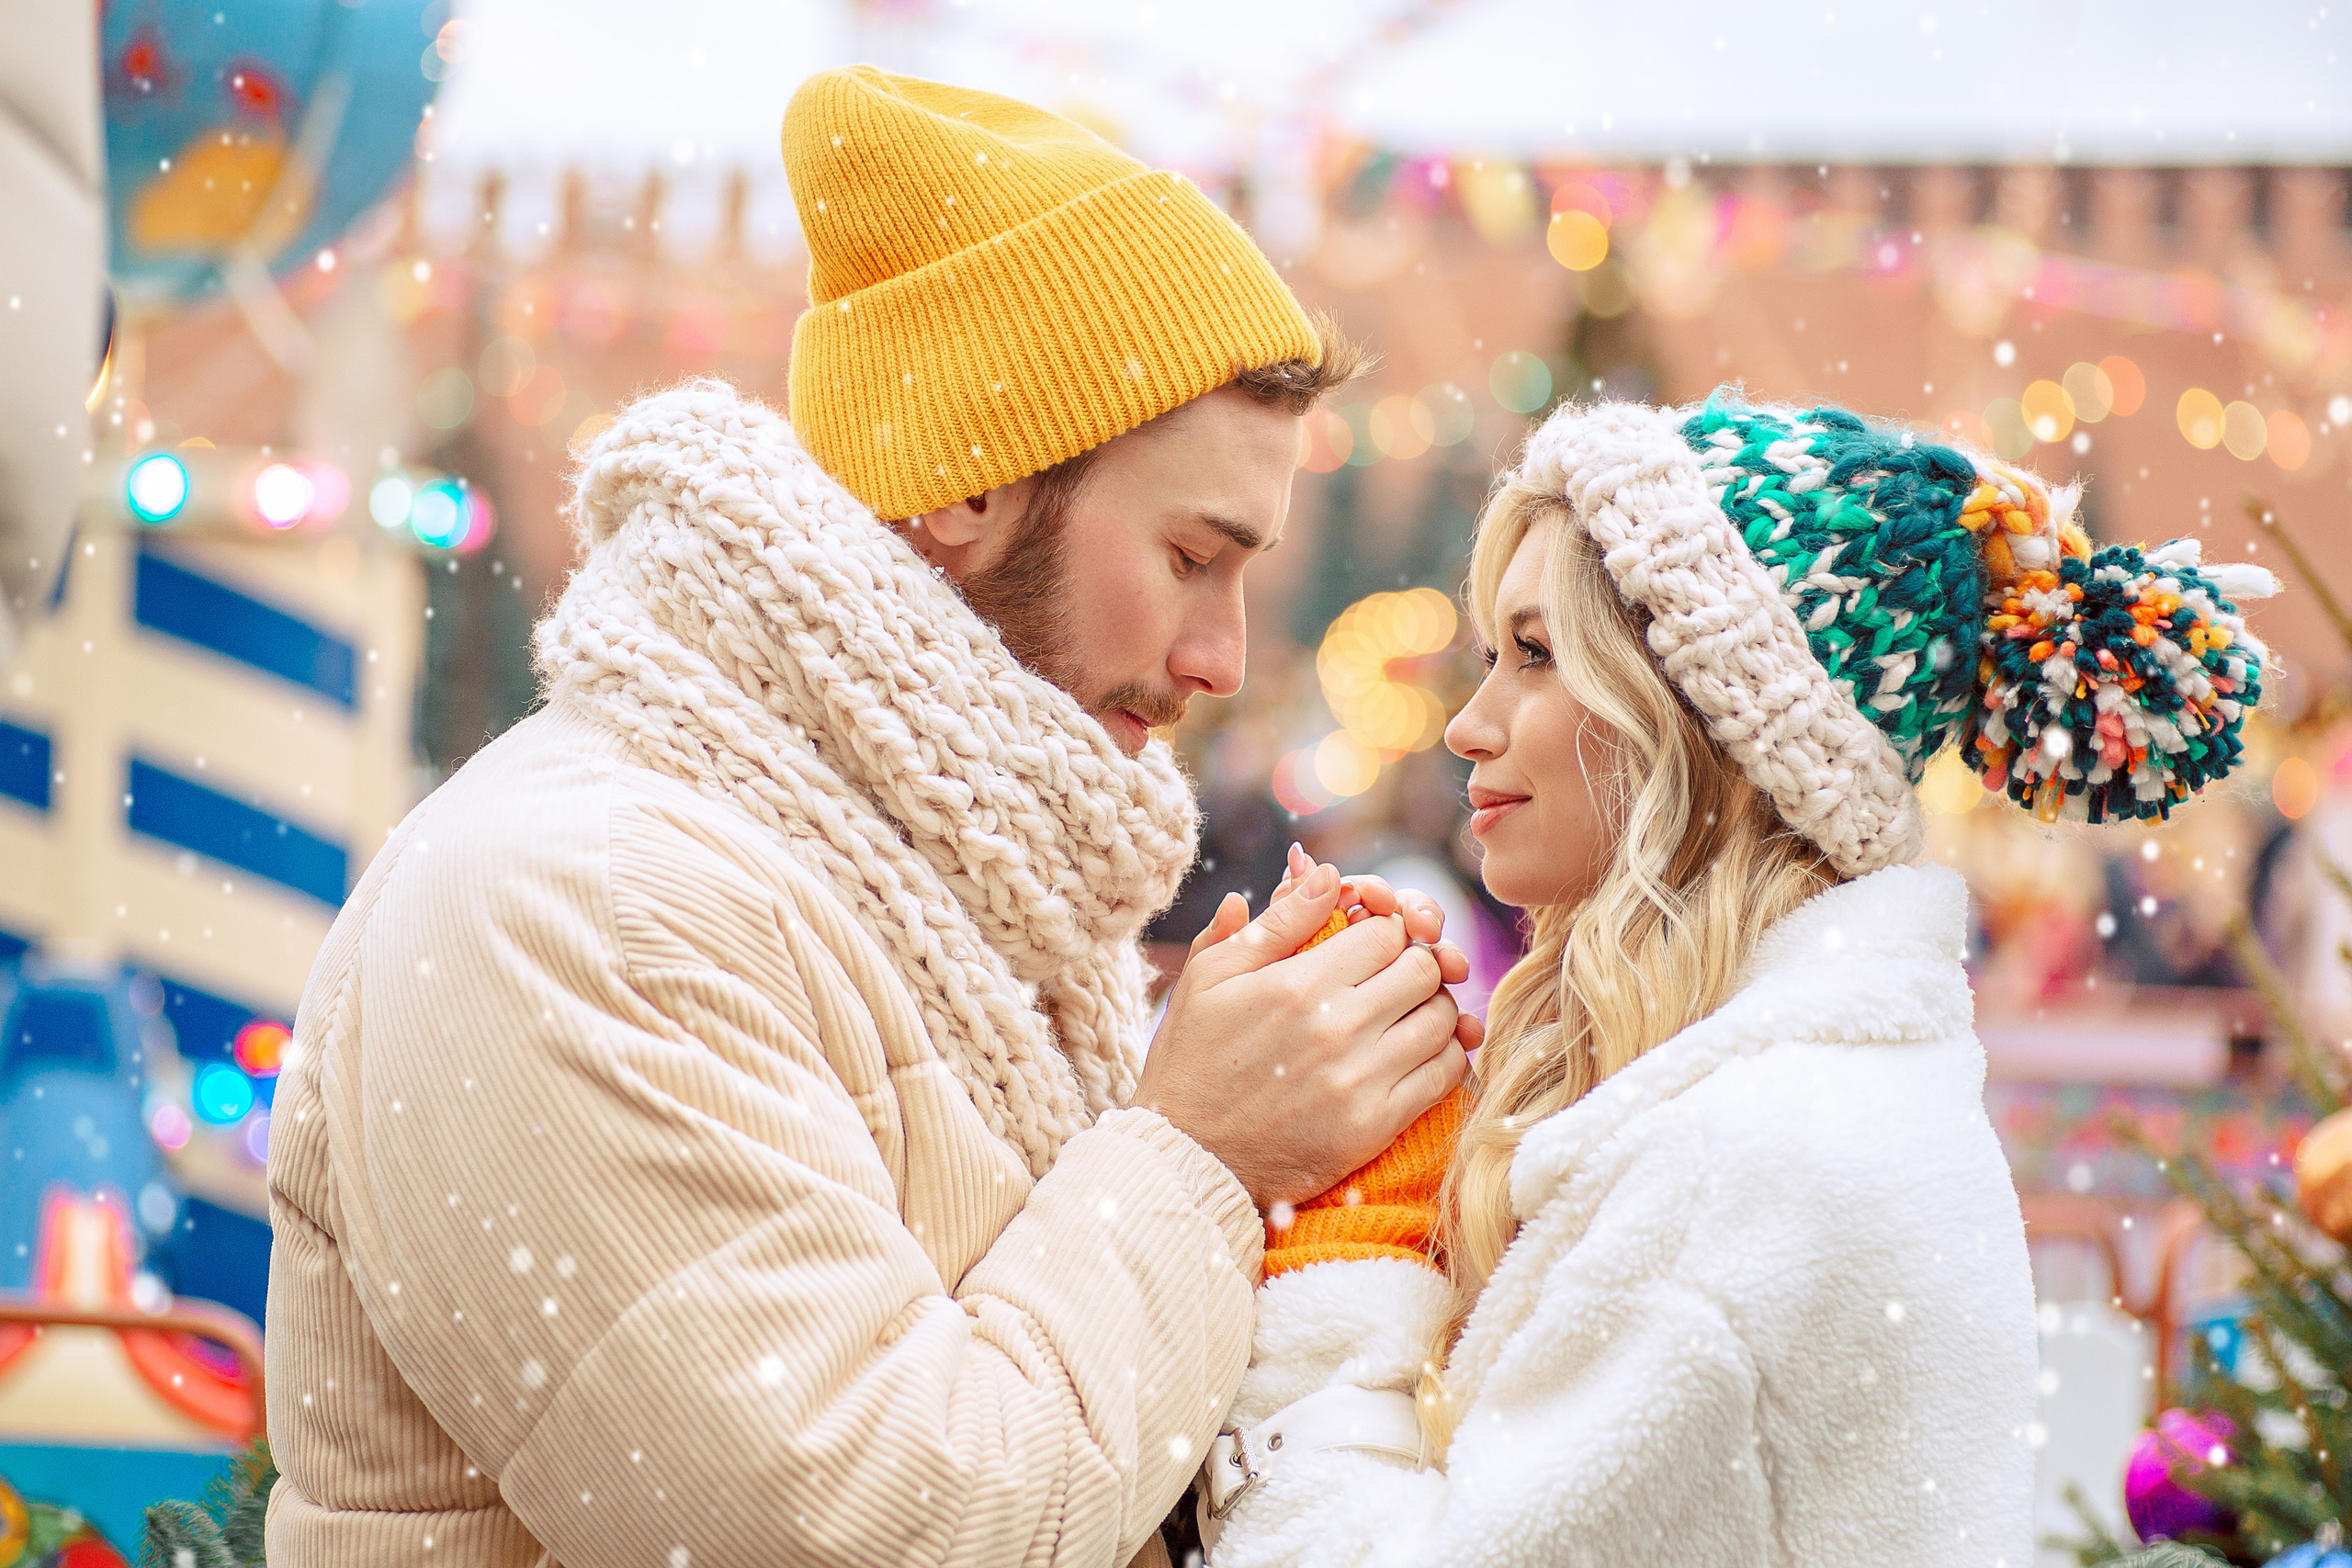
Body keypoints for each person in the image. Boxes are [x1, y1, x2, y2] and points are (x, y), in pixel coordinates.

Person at [264, 69, 1476, 1568]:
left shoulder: (935, 877)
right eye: (1186, 555)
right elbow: (873, 1530)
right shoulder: (578, 897)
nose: (1218, 657)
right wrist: (1201, 1147)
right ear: (970, 487)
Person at [1201, 395, 2277, 1567]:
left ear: (1695, 721)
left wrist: (1345, 1254)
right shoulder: (1784, 1109)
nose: (1467, 724)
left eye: (1535, 655)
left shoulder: (1749, 1166)